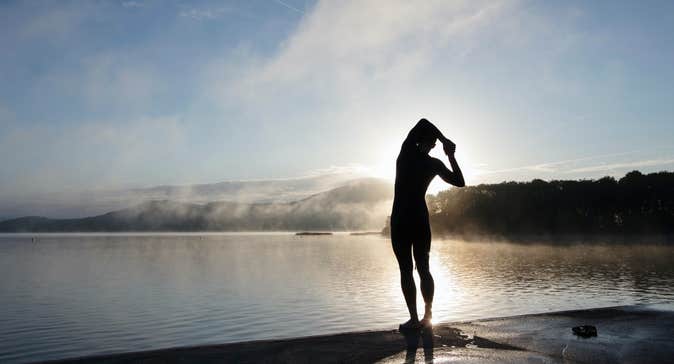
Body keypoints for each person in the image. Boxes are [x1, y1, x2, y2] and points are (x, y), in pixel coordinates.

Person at [391, 118, 465, 330]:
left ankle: (418, 319)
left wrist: (444, 143)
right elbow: (459, 181)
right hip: (419, 218)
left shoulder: (406, 153)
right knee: (422, 268)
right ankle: (426, 317)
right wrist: (449, 152)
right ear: (424, 142)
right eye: (433, 144)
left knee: (409, 269)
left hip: (401, 219)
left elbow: (423, 122)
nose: (433, 147)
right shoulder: (431, 163)